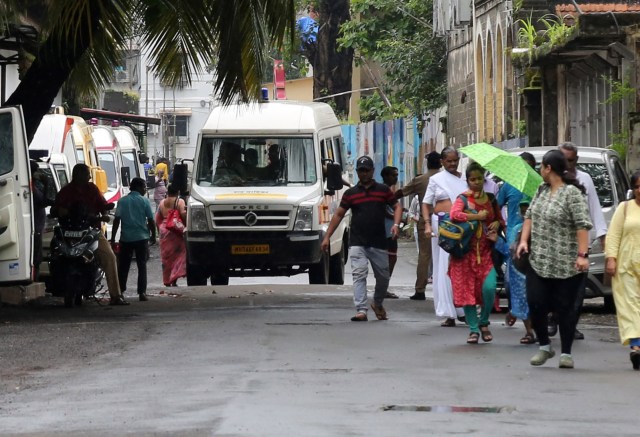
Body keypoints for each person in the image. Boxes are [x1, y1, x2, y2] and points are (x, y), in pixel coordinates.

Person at [516, 150, 592, 369]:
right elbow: (529, 216)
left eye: (541, 167)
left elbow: (582, 225)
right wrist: (523, 241)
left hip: (567, 264)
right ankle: (545, 346)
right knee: (535, 303)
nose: (540, 171)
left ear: (548, 168)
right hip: (539, 260)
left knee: (565, 308)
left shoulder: (572, 194)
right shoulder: (541, 190)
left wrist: (582, 255)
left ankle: (566, 353)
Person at [321, 155, 402, 322]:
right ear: (357, 172)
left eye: (366, 170)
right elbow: (338, 215)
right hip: (357, 241)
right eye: (360, 170)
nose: (363, 174)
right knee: (359, 274)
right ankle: (361, 309)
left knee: (383, 277)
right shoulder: (351, 194)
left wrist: (396, 224)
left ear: (372, 171)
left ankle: (377, 303)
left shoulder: (383, 190)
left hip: (378, 242)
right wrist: (327, 236)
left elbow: (396, 206)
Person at [549, 142, 608, 340]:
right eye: (564, 159)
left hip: (580, 245)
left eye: (571, 160)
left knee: (577, 289)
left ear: (576, 160)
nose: (567, 164)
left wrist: (603, 239)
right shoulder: (550, 181)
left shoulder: (585, 179)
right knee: (555, 285)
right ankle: (553, 317)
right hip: (556, 243)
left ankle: (570, 324)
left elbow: (595, 209)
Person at [54, 164, 129, 305]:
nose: (89, 177)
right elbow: (56, 209)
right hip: (68, 232)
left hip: (90, 231)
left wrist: (105, 214)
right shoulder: (66, 192)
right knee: (54, 254)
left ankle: (115, 295)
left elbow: (103, 206)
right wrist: (61, 211)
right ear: (78, 175)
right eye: (87, 174)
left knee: (109, 257)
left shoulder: (93, 189)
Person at [449, 163, 505, 344]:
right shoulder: (463, 199)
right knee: (468, 293)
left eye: (479, 178)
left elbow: (499, 219)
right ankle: (473, 329)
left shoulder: (491, 199)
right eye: (472, 179)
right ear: (467, 180)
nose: (476, 182)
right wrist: (476, 217)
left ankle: (484, 322)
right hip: (465, 254)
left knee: (489, 289)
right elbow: (454, 215)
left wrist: (496, 223)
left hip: (486, 253)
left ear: (484, 179)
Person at [423, 147, 468, 326]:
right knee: (443, 266)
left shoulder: (465, 179)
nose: (452, 164)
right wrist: (427, 224)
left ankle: (463, 309)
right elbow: (426, 203)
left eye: (455, 160)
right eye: (448, 161)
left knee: (460, 265)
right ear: (442, 162)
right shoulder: (436, 180)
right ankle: (448, 312)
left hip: (462, 226)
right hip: (441, 224)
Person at [497, 152, 536, 344]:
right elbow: (496, 206)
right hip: (514, 243)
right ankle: (528, 328)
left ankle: (539, 325)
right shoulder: (508, 185)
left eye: (528, 166)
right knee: (515, 284)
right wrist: (501, 224)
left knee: (537, 287)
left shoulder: (541, 188)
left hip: (536, 243)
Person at [605, 170, 640, 370]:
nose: (639, 190)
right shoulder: (625, 208)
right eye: (636, 186)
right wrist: (611, 258)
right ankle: (636, 347)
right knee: (630, 305)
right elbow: (614, 234)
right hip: (627, 264)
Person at [396, 151, 441, 300]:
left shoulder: (421, 180)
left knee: (424, 255)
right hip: (447, 221)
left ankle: (420, 289)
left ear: (427, 163)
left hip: (425, 220)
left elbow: (402, 192)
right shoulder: (448, 179)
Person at [111, 178, 156, 302]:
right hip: (142, 238)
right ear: (139, 187)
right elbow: (151, 220)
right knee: (142, 265)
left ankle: (121, 292)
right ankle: (142, 293)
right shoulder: (144, 201)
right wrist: (153, 235)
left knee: (123, 266)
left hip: (126, 238)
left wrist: (113, 238)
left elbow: (116, 220)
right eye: (144, 187)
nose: (145, 189)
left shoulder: (122, 201)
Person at [156, 184, 187, 287]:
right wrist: (186, 226)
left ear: (167, 192)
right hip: (175, 231)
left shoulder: (161, 203)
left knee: (166, 258)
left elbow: (157, 218)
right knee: (179, 255)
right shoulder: (180, 201)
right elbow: (183, 214)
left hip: (164, 231)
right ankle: (174, 278)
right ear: (177, 192)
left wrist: (159, 231)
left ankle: (167, 280)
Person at [381, 166, 401, 299]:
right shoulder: (384, 190)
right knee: (390, 257)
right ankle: (383, 287)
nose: (396, 177)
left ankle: (384, 286)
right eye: (393, 175)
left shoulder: (389, 189)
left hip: (389, 229)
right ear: (386, 176)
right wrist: (396, 217)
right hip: (387, 230)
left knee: (391, 257)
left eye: (397, 175)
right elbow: (384, 209)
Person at [30, 160, 50, 281]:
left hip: (38, 227)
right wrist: (47, 184)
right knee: (36, 258)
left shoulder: (34, 186)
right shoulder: (31, 188)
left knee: (37, 256)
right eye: (36, 170)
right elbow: (43, 202)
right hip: (35, 228)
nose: (39, 173)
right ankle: (34, 280)